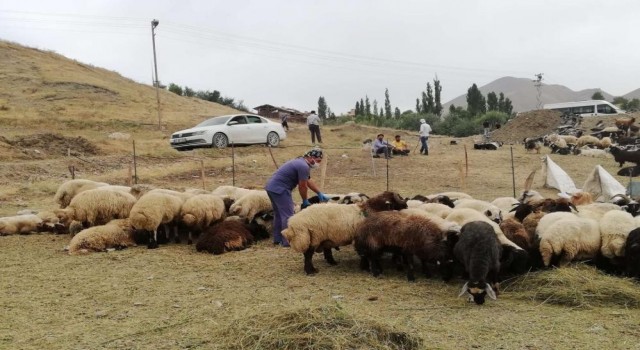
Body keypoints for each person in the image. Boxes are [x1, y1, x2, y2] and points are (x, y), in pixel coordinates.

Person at [265, 149, 329, 247]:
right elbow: (302, 186)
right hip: (280, 190)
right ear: (311, 158)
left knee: (279, 214)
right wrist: (305, 200)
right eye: (318, 161)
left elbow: (308, 180)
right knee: (288, 215)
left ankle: (278, 239)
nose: (318, 164)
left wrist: (319, 192)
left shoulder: (300, 162)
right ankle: (287, 241)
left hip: (272, 187)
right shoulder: (303, 166)